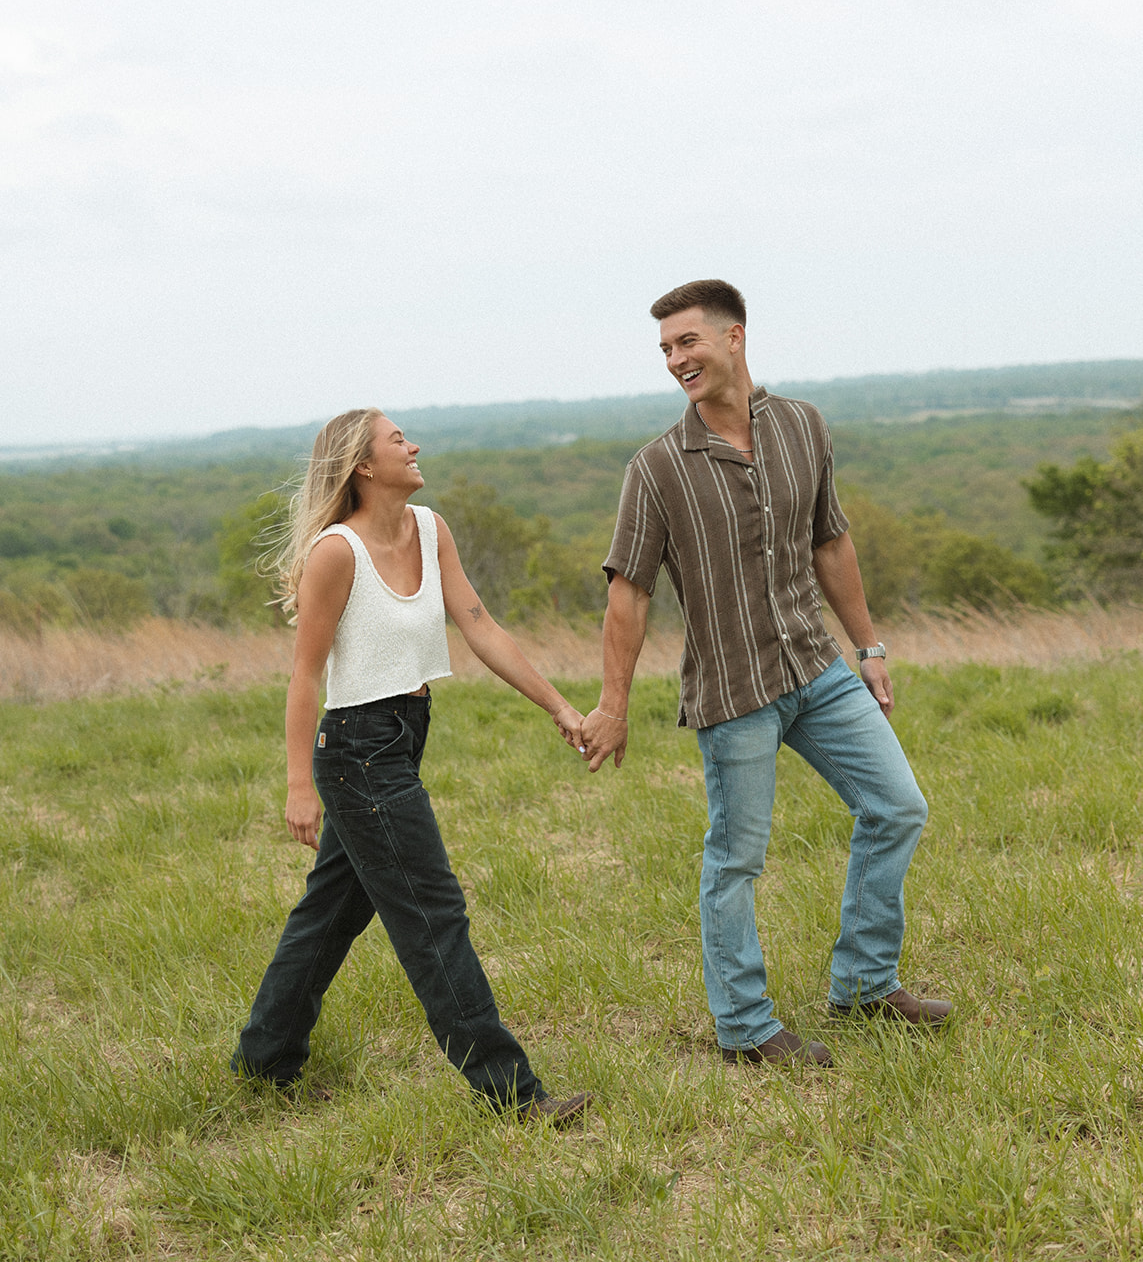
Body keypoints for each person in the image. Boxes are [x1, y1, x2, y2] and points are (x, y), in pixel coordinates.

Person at [576, 280, 950, 1068]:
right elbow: (628, 594)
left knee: (897, 806)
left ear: (733, 337)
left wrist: (869, 647)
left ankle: (864, 984)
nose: (677, 360)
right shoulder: (656, 469)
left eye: (688, 343)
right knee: (737, 858)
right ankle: (745, 1027)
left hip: (816, 669)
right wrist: (612, 706)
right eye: (666, 350)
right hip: (734, 692)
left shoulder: (800, 427)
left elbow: (830, 542)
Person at [232, 406, 588, 1123]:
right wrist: (299, 784)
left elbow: (480, 625)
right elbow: (305, 675)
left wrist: (557, 705)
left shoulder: (429, 530)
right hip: (357, 751)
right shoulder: (337, 552)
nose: (413, 445)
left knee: (329, 914)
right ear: (364, 465)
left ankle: (263, 1062)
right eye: (398, 440)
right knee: (433, 915)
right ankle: (514, 1095)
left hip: (403, 733)